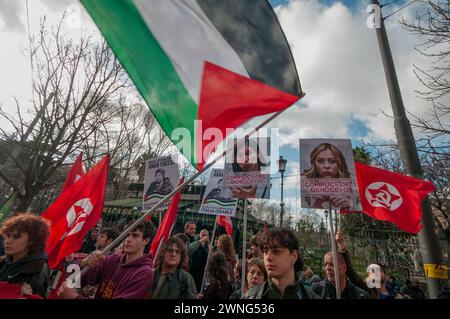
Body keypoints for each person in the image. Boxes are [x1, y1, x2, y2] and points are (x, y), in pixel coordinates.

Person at [58, 220, 156, 299]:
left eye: (134, 236)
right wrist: (85, 262)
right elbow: (75, 278)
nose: (128, 239)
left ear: (146, 240)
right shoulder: (113, 260)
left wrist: (74, 297)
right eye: (127, 235)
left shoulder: (144, 273)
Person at [246, 228, 318, 299]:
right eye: (265, 251)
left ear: (294, 256)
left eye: (276, 251)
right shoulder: (250, 297)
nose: (268, 257)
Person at [0, 212, 50, 298]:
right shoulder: (4, 261)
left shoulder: (39, 270)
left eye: (16, 237)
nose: (8, 241)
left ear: (32, 240)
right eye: (7, 236)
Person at [301, 142, 354, 209]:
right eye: (320, 161)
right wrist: (315, 205)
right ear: (313, 163)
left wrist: (349, 203)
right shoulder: (304, 183)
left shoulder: (352, 183)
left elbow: (361, 206)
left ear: (340, 163)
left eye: (332, 161)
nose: (326, 166)